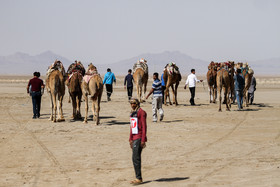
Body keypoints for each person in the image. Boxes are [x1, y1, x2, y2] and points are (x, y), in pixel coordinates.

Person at [129, 98, 147, 185]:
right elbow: (132, 127)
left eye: (134, 104)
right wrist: (130, 138)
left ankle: (139, 178)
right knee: (134, 158)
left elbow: (144, 127)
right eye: (131, 104)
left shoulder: (141, 112)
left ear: (137, 104)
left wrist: (143, 140)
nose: (132, 105)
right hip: (134, 138)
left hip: (139, 138)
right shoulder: (133, 113)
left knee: (136, 158)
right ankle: (137, 177)